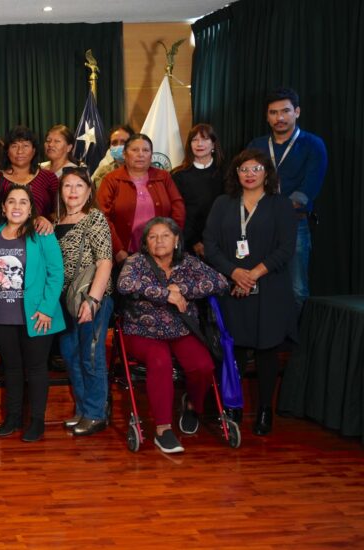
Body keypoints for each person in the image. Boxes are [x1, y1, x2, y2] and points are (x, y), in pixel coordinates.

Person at [203, 149, 298, 436]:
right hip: (232, 285)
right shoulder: (223, 203)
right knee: (236, 348)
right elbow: (210, 243)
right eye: (244, 168)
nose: (249, 173)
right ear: (236, 173)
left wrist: (254, 274)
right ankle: (234, 406)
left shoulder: (280, 205)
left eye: (256, 168)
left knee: (267, 348)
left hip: (269, 287)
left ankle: (265, 409)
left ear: (266, 173)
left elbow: (286, 247)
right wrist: (235, 273)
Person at [117, 217, 229, 453]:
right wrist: (165, 294)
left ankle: (191, 405)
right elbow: (124, 284)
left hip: (181, 329)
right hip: (142, 331)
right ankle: (163, 430)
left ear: (176, 240)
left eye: (165, 235)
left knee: (202, 365)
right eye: (153, 236)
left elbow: (220, 282)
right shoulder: (136, 262)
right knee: (160, 361)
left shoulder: (188, 262)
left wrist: (184, 290)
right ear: (146, 243)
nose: (159, 241)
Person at [0, 185, 65, 442]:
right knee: (13, 369)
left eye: (23, 202)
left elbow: (56, 272)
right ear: (4, 207)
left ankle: (37, 421)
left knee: (37, 368)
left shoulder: (42, 234)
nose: (17, 207)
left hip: (37, 316)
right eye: (12, 202)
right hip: (2, 315)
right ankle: (13, 417)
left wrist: (46, 309)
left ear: (31, 209)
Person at [247, 87, 328, 309]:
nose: (279, 118)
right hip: (259, 223)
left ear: (297, 112)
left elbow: (307, 189)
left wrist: (273, 208)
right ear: (267, 116)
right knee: (256, 282)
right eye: (273, 113)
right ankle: (263, 336)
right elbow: (245, 180)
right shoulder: (257, 145)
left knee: (297, 288)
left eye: (285, 111)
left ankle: (291, 340)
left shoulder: (313, 144)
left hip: (295, 224)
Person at [53, 168, 114, 436]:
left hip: (91, 298)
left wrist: (92, 301)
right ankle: (83, 408)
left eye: (79, 185)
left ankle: (96, 413)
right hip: (65, 301)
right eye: (67, 186)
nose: (73, 191)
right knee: (70, 354)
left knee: (91, 356)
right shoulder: (55, 222)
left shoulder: (94, 219)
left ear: (89, 191)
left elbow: (105, 261)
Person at [97, 133, 185, 265]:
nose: (140, 154)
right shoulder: (111, 179)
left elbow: (178, 208)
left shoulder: (164, 177)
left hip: (162, 252)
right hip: (124, 254)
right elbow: (102, 217)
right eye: (135, 150)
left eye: (145, 150)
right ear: (125, 154)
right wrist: (117, 249)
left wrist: (173, 239)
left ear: (151, 155)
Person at [171, 123, 224, 257]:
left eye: (205, 139)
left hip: (221, 240)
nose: (199, 144)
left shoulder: (226, 172)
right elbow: (178, 211)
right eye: (194, 140)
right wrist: (194, 241)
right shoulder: (178, 175)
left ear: (213, 144)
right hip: (188, 241)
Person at [0, 126, 60, 221]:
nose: (20, 151)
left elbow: (59, 211)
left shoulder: (49, 178)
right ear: (7, 152)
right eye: (14, 146)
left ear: (34, 151)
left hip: (41, 234)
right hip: (4, 233)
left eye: (25, 146)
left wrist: (44, 221)